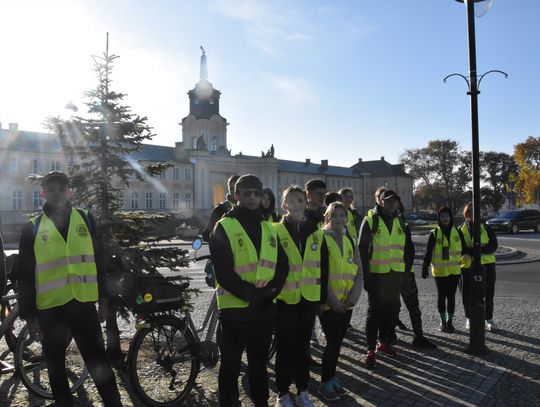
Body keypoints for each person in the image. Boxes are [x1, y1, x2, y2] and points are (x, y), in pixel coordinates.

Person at [17, 171, 122, 407]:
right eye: (51, 190)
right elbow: (24, 276)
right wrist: (30, 316)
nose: (56, 194)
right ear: (43, 193)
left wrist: (103, 297)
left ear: (69, 191)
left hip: (82, 305)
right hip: (50, 310)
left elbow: (99, 261)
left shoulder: (86, 219)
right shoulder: (31, 228)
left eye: (61, 189)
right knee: (56, 369)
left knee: (99, 364)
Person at [210, 174, 288, 407]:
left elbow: (282, 266)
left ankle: (261, 403)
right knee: (231, 366)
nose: (253, 197)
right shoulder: (224, 226)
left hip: (263, 310)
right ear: (237, 196)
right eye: (247, 193)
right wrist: (253, 295)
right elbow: (223, 273)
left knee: (259, 365)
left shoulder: (269, 227)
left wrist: (272, 293)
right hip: (235, 311)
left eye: (257, 192)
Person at [274, 186, 323, 407]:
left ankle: (303, 390)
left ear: (306, 203)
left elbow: (324, 267)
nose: (296, 204)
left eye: (300, 200)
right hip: (285, 299)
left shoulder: (316, 231)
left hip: (309, 298)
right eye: (291, 201)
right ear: (284, 204)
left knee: (303, 347)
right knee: (284, 347)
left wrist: (322, 298)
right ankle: (283, 393)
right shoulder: (274, 231)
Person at [317, 202, 362, 401]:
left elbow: (359, 272)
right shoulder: (321, 239)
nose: (339, 219)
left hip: (346, 303)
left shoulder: (350, 240)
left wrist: (351, 300)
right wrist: (333, 301)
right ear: (328, 218)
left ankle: (331, 377)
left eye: (343, 216)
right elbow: (319, 273)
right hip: (329, 303)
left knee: (337, 343)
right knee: (332, 342)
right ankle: (325, 382)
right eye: (335, 215)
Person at [358, 189, 407, 368]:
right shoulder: (371, 220)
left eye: (394, 201)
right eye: (388, 201)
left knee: (392, 310)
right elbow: (361, 248)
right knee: (374, 312)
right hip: (377, 274)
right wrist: (366, 275)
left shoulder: (400, 220)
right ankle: (370, 350)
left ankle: (384, 342)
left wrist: (405, 271)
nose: (392, 203)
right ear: (380, 202)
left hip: (395, 273)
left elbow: (407, 248)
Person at [422, 207, 465, 333]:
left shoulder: (457, 232)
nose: (445, 218)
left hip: (454, 270)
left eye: (447, 216)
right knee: (441, 296)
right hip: (440, 271)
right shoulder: (434, 233)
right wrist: (425, 267)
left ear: (451, 218)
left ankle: (450, 322)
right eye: (442, 216)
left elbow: (465, 248)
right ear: (439, 218)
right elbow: (428, 252)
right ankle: (442, 322)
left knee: (451, 297)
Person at [460, 202, 498, 331]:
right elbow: (462, 248)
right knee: (467, 294)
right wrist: (473, 250)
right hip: (468, 266)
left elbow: (494, 245)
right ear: (466, 213)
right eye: (469, 211)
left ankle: (489, 319)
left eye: (474, 211)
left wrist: (478, 250)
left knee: (488, 293)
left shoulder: (486, 228)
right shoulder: (461, 229)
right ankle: (469, 318)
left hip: (487, 265)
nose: (471, 213)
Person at [202, 174, 239, 242]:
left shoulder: (250, 209)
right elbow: (206, 235)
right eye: (231, 188)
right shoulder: (220, 209)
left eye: (236, 188)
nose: (233, 191)